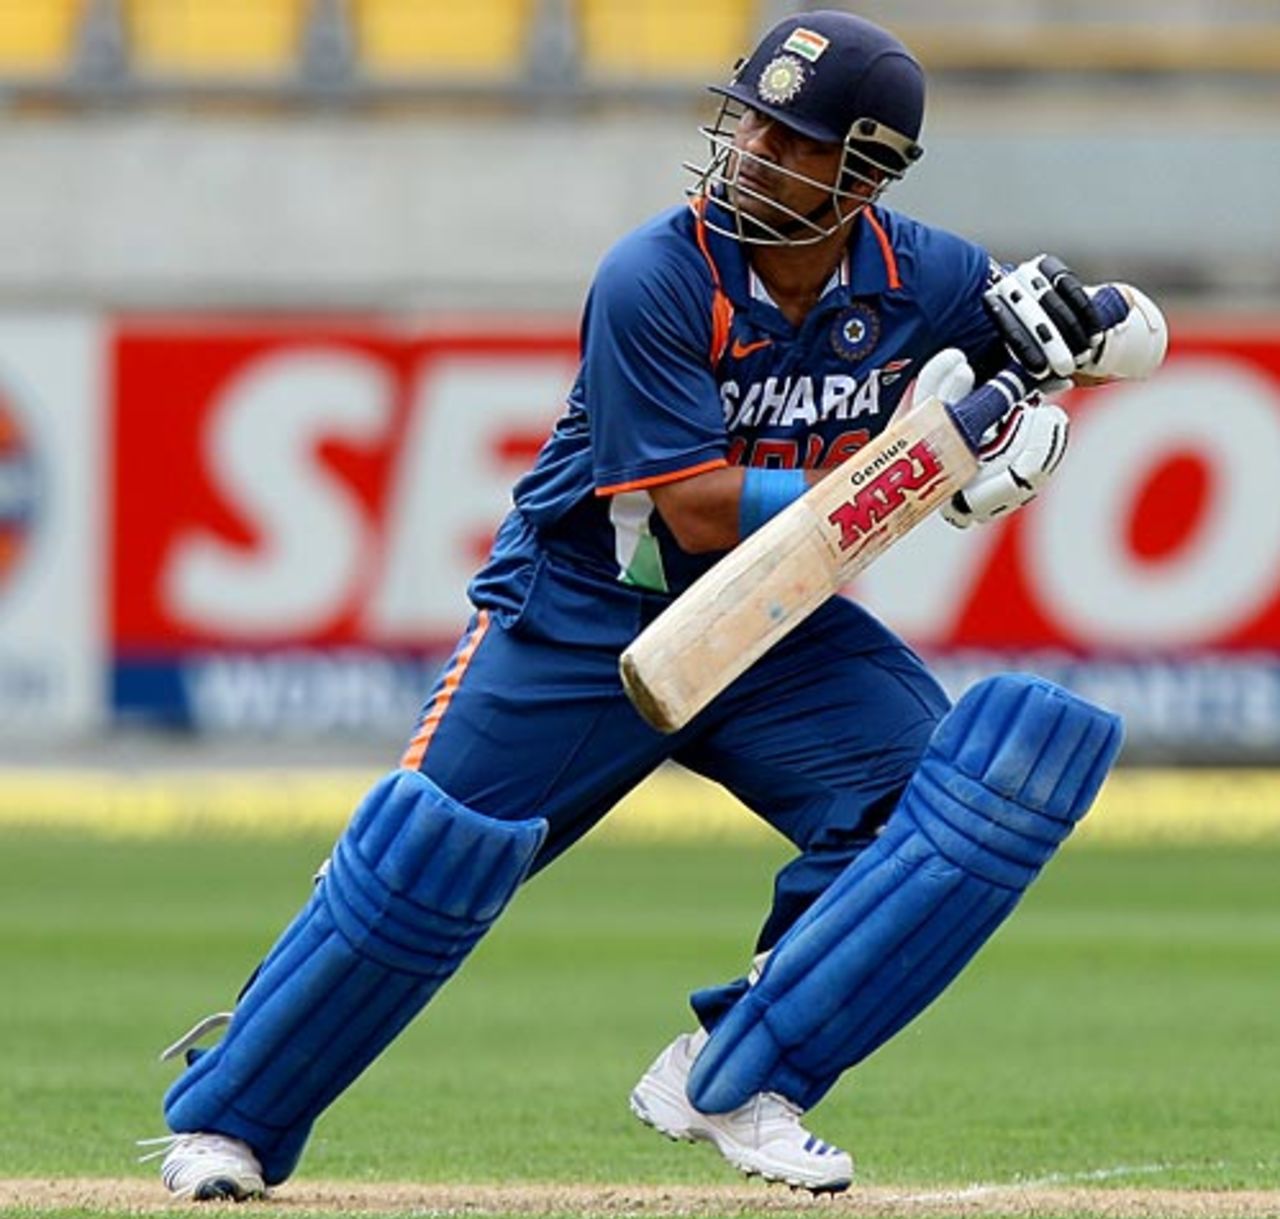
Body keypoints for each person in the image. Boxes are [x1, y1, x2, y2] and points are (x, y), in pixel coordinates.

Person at [143, 9, 1167, 1200]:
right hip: (581, 609)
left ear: (865, 174)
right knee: (430, 858)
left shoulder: (920, 274)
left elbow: (1090, 334)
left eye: (792, 144)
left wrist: (1081, 346)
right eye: (750, 123)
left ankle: (739, 1072)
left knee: (945, 801)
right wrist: (923, 463)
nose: (750, 155)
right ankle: (230, 1123)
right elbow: (689, 510)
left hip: (772, 623)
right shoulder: (656, 273)